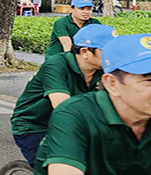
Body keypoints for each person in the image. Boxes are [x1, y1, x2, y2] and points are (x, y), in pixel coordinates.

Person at [33, 33, 151, 174]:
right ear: (112, 84)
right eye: (148, 81)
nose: (87, 11)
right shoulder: (74, 115)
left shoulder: (96, 71)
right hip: (33, 122)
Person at [10, 24, 116, 167]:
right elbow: (62, 107)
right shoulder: (56, 65)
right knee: (60, 166)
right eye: (109, 50)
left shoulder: (106, 70)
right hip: (34, 126)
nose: (115, 55)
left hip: (74, 125)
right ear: (85, 52)